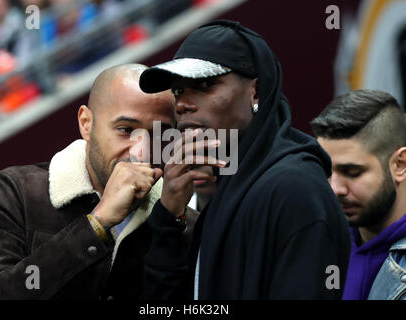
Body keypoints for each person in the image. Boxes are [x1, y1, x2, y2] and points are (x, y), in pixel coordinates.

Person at [139, 19, 351, 299]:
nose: (182, 104)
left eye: (203, 84)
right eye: (178, 90)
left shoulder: (294, 189)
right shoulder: (232, 187)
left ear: (256, 91)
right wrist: (169, 217)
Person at [0, 63, 197, 300]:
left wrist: (172, 224)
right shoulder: (18, 191)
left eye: (158, 134)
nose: (141, 151)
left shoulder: (183, 220)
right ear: (86, 123)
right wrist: (97, 222)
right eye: (126, 129)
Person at [310, 89, 406, 300]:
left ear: (400, 165)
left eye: (352, 172)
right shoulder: (323, 243)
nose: (335, 188)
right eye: (326, 171)